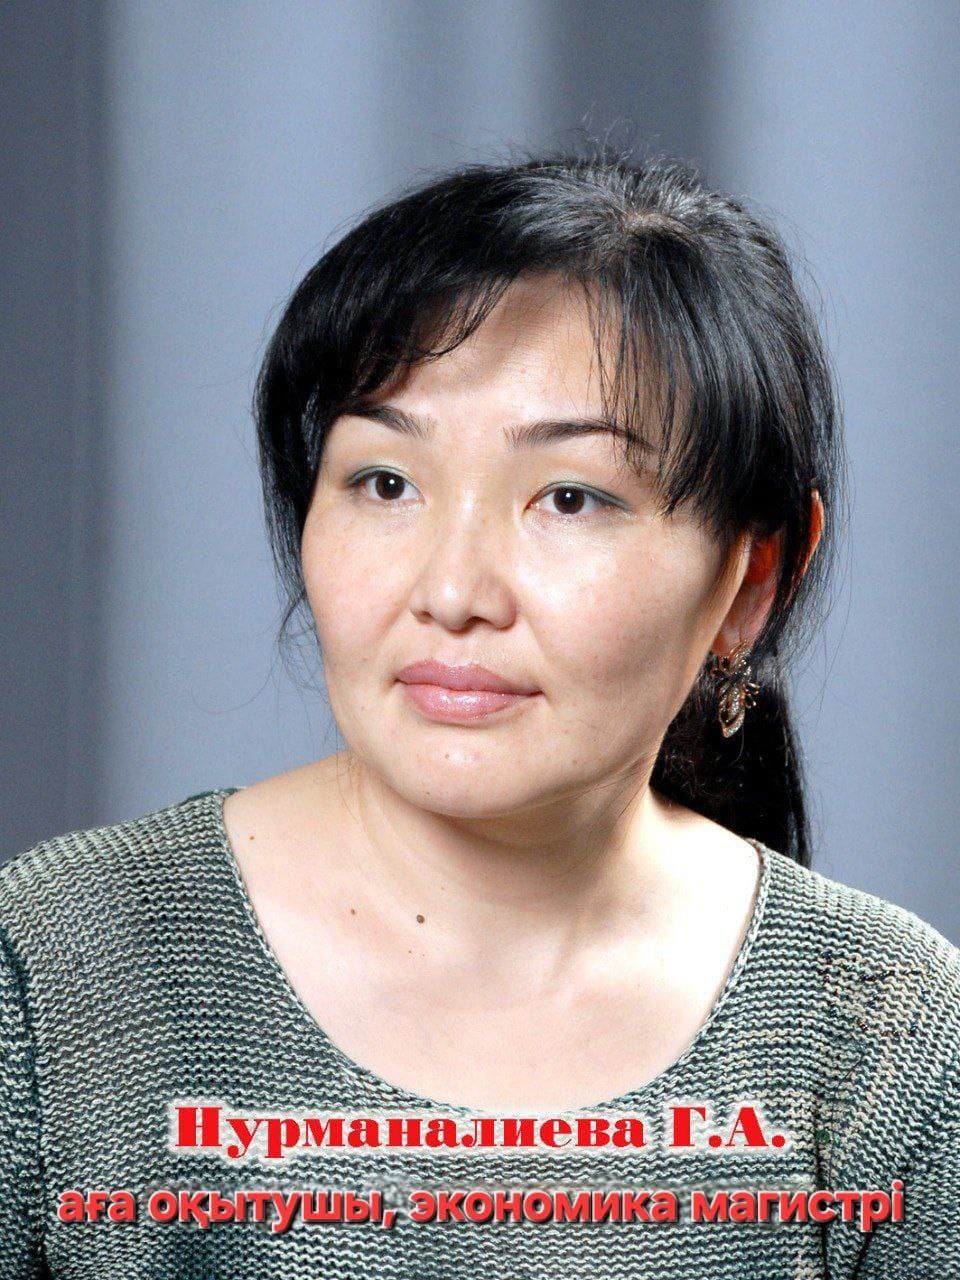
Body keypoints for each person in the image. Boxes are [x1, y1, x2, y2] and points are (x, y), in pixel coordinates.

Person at [1, 150, 957, 1277]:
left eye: (570, 497)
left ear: (752, 580)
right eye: (386, 482)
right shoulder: (59, 966)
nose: (453, 591)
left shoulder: (888, 1038)